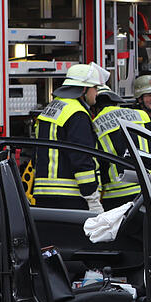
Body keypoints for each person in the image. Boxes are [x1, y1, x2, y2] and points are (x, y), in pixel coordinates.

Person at [32, 63, 108, 212]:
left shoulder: (51, 108)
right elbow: (81, 158)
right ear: (84, 89)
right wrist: (92, 197)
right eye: (95, 88)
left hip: (43, 194)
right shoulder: (77, 114)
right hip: (70, 196)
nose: (97, 93)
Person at [91, 84, 150, 209]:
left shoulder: (95, 125)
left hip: (114, 195)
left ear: (95, 108)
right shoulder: (141, 116)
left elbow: (97, 163)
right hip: (145, 189)